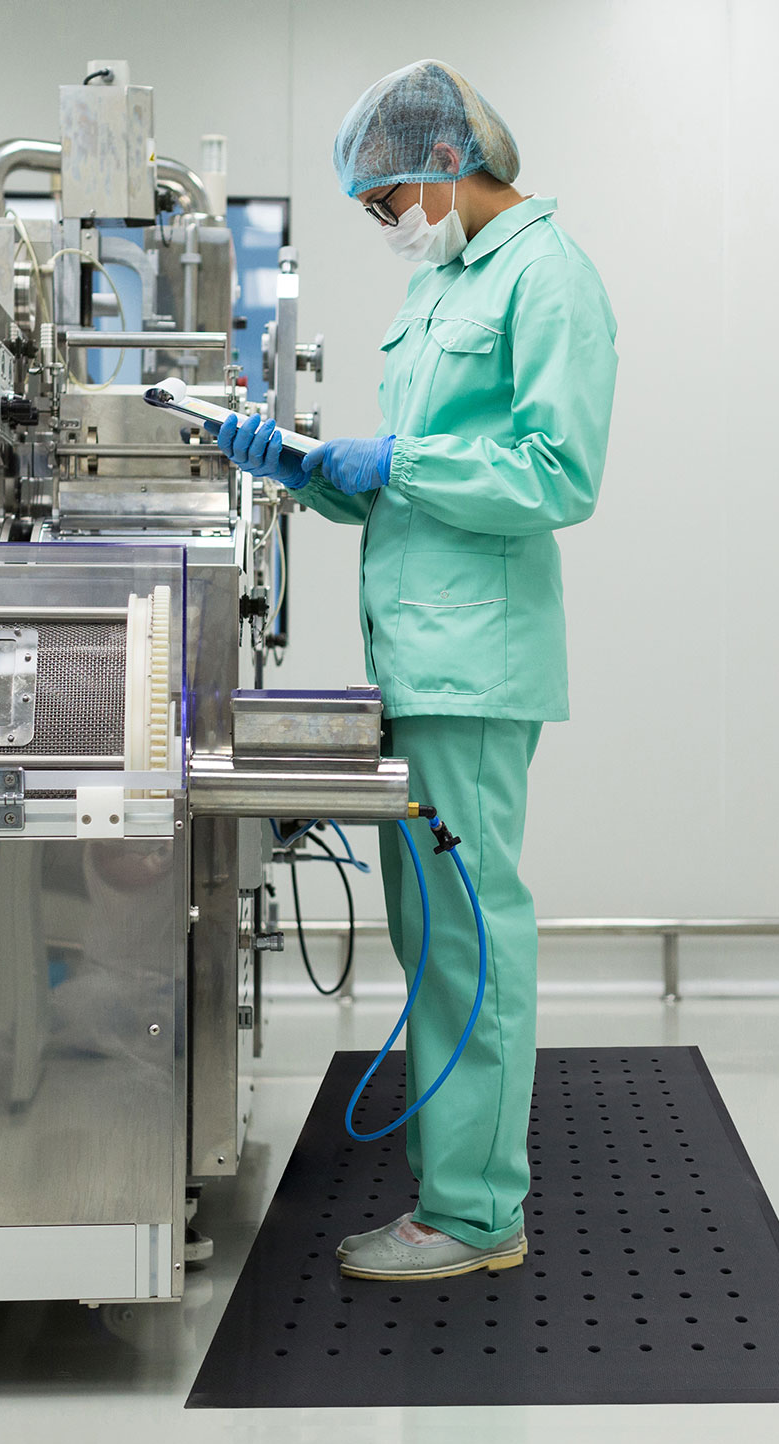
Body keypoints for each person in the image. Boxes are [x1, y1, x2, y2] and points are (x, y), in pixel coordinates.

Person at [217, 59, 618, 1281]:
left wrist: (395, 461)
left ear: (448, 162)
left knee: (468, 937)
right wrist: (303, 470)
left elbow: (557, 476)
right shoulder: (447, 283)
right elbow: (410, 483)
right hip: (418, 658)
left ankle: (477, 1214)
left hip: (475, 665)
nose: (384, 222)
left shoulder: (547, 279)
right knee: (432, 930)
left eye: (385, 199)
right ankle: (460, 1188)